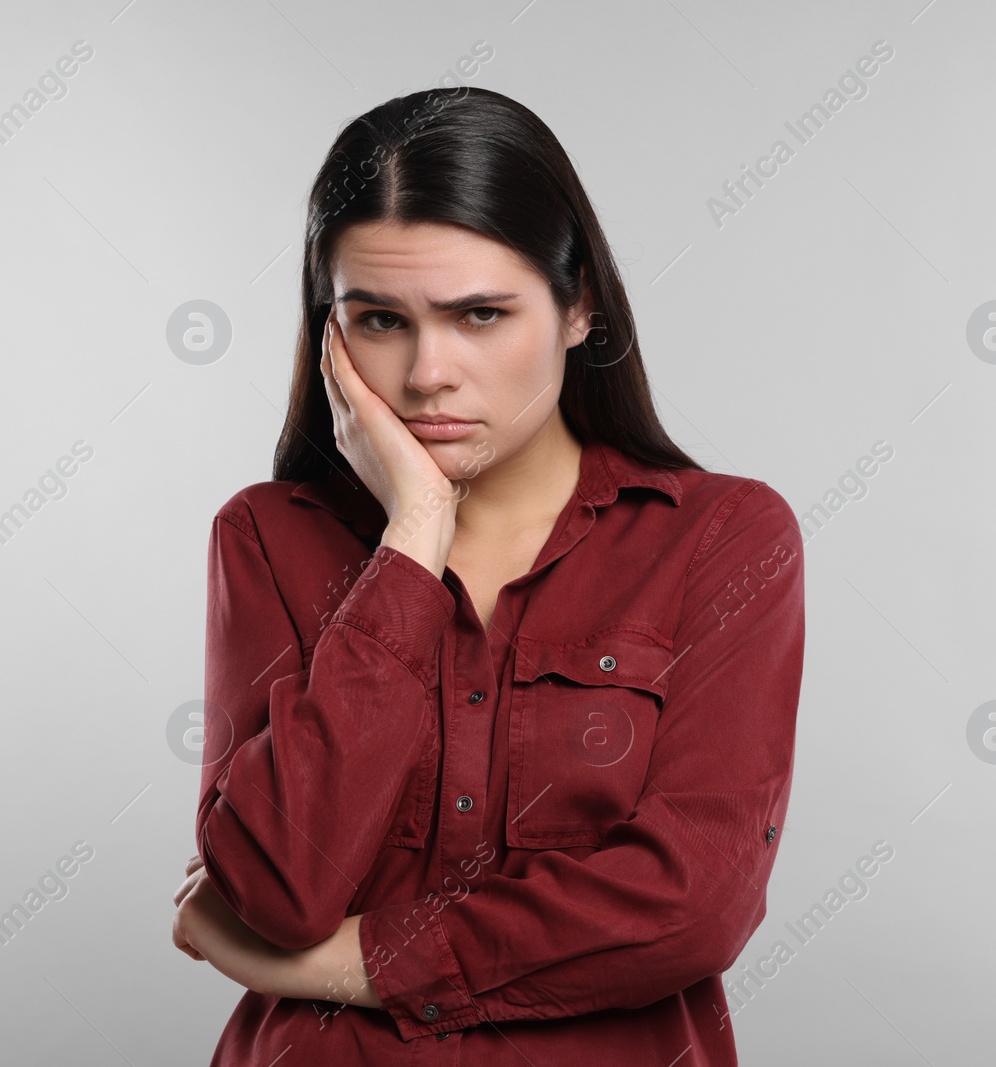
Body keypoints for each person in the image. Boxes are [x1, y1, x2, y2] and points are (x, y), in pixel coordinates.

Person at [169, 85, 805, 1065]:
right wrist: (414, 536)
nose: (428, 373)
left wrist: (345, 961)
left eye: (479, 313)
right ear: (329, 333)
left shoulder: (722, 537)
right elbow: (276, 882)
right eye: (379, 319)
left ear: (579, 304)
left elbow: (693, 903)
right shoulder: (265, 538)